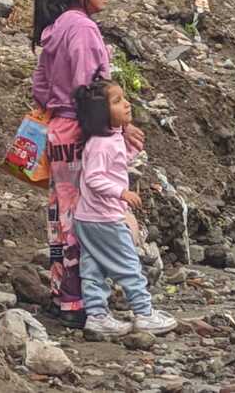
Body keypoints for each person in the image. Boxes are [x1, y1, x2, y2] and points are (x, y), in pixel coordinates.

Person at [31, 0, 144, 329]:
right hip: (81, 132)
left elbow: (41, 88)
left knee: (63, 214)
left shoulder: (56, 28)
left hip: (58, 130)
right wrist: (117, 127)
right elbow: (88, 93)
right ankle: (86, 304)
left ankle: (68, 295)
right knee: (86, 215)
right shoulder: (83, 30)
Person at [72, 79, 176, 336]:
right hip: (105, 218)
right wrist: (122, 192)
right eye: (117, 101)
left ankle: (96, 316)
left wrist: (130, 152)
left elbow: (113, 167)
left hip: (87, 217)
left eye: (124, 98)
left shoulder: (110, 137)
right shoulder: (101, 143)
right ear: (101, 113)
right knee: (129, 265)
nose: (127, 104)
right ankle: (144, 313)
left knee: (93, 267)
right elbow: (94, 178)